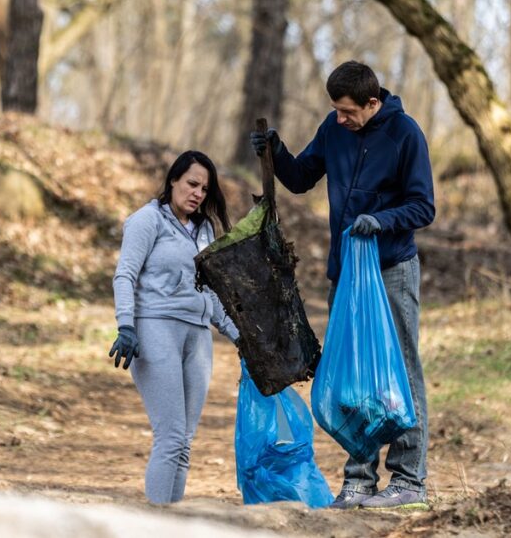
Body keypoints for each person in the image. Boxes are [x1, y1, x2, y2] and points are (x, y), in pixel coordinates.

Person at [250, 60, 435, 511]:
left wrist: (382, 220)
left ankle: (409, 479)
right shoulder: (334, 130)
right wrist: (275, 150)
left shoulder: (405, 134)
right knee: (352, 375)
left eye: (348, 111)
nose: (340, 118)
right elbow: (300, 179)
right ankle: (359, 480)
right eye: (335, 109)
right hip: (347, 272)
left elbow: (423, 206)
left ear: (373, 103)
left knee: (400, 370)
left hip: (391, 269)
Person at [109, 150, 240, 504]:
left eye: (204, 189)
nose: (198, 193)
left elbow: (211, 289)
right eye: (192, 184)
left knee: (184, 442)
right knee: (170, 437)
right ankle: (155, 521)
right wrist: (126, 326)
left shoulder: (204, 230)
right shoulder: (146, 220)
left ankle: (171, 519)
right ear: (173, 181)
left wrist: (237, 335)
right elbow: (125, 275)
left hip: (197, 336)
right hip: (156, 329)